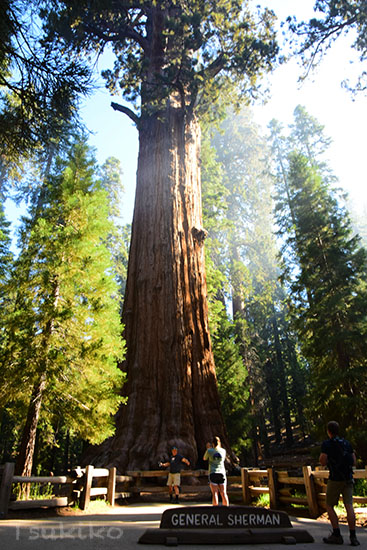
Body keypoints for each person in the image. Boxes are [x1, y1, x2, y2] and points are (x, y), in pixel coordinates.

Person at [319, 421, 360, 546]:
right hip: (348, 478)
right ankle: (353, 536)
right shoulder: (346, 443)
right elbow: (353, 461)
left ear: (328, 431)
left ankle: (336, 534)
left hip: (335, 478)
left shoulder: (327, 444)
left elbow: (322, 461)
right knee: (349, 506)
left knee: (330, 505)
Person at [203, 436, 229, 506]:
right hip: (221, 473)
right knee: (223, 493)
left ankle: (215, 510)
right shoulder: (223, 451)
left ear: (212, 443)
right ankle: (226, 509)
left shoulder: (209, 451)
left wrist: (208, 448)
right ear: (219, 442)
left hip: (213, 473)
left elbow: (204, 458)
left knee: (215, 493)